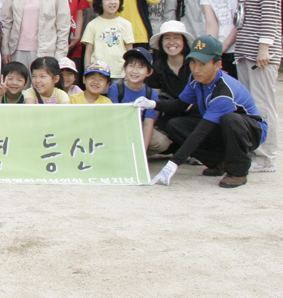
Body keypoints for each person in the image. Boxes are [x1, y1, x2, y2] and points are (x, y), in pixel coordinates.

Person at [143, 35, 267, 189]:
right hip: (222, 127)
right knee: (175, 125)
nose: (196, 69)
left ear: (218, 65)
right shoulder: (195, 79)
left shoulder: (224, 92)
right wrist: (152, 104)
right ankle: (219, 162)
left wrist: (173, 163)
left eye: (202, 64)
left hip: (250, 130)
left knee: (230, 119)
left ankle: (238, 171)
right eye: (193, 62)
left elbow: (202, 131)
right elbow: (180, 104)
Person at [233, 0, 282, 173]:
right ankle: (255, 153)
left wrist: (264, 47)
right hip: (245, 53)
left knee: (263, 106)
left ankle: (266, 158)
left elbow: (270, 14)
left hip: (260, 54)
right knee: (250, 107)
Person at [107, 47, 160, 150]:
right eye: (131, 66)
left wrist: (143, 152)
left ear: (149, 72)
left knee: (161, 142)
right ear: (125, 68)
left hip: (139, 127)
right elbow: (115, 120)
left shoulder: (151, 94)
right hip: (120, 127)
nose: (135, 71)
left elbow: (148, 125)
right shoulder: (115, 89)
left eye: (141, 67)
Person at [147, 21, 194, 134]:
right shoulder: (156, 68)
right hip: (168, 117)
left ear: (184, 41)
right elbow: (155, 100)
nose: (172, 42)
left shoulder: (194, 64)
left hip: (194, 116)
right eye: (167, 38)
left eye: (176, 38)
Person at [82, 0, 134, 83]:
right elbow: (88, 52)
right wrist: (87, 72)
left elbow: (129, 51)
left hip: (119, 73)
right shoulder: (92, 25)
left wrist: (129, 72)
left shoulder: (126, 24)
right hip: (97, 73)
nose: (112, 2)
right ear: (100, 2)